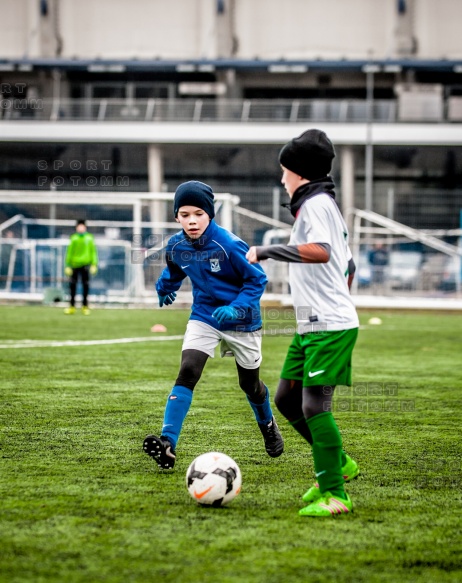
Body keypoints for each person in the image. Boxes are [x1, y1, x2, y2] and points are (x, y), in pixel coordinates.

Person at [246, 129, 360, 517]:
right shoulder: (321, 205)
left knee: (314, 406)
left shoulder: (316, 205)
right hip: (314, 324)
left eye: (285, 171)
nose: (282, 178)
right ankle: (338, 463)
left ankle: (335, 494)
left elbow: (323, 252)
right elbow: (349, 265)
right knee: (285, 399)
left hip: (328, 326)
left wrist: (265, 251)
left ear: (300, 172)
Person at [143, 180, 284, 470]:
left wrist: (236, 308)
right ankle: (168, 443)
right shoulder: (176, 245)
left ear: (210, 214)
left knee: (250, 385)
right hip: (205, 315)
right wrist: (163, 287)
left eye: (198, 213)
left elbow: (257, 278)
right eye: (184, 214)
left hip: (243, 321)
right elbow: (173, 269)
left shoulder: (229, 245)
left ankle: (268, 424)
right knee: (188, 370)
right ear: (176, 217)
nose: (192, 220)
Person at [64, 220, 98, 315]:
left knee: (85, 286)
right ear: (76, 228)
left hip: (86, 265)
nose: (81, 228)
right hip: (75, 265)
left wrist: (94, 264)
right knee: (72, 286)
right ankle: (72, 306)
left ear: (85, 227)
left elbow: (93, 252)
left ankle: (85, 306)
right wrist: (67, 265)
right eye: (79, 226)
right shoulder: (74, 238)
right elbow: (69, 252)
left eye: (82, 226)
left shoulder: (89, 238)